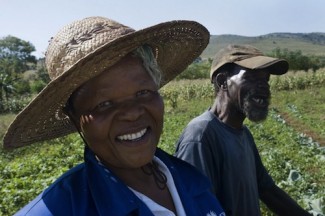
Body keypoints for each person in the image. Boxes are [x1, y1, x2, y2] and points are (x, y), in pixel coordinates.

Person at [3, 16, 225, 216]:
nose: (132, 113)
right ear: (73, 117)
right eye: (104, 104)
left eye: (143, 92)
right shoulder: (57, 210)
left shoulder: (190, 180)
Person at [175, 44, 312, 216]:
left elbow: (267, 190)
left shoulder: (243, 134)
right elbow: (198, 208)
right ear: (222, 81)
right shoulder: (200, 137)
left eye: (265, 80)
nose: (264, 87)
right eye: (252, 78)